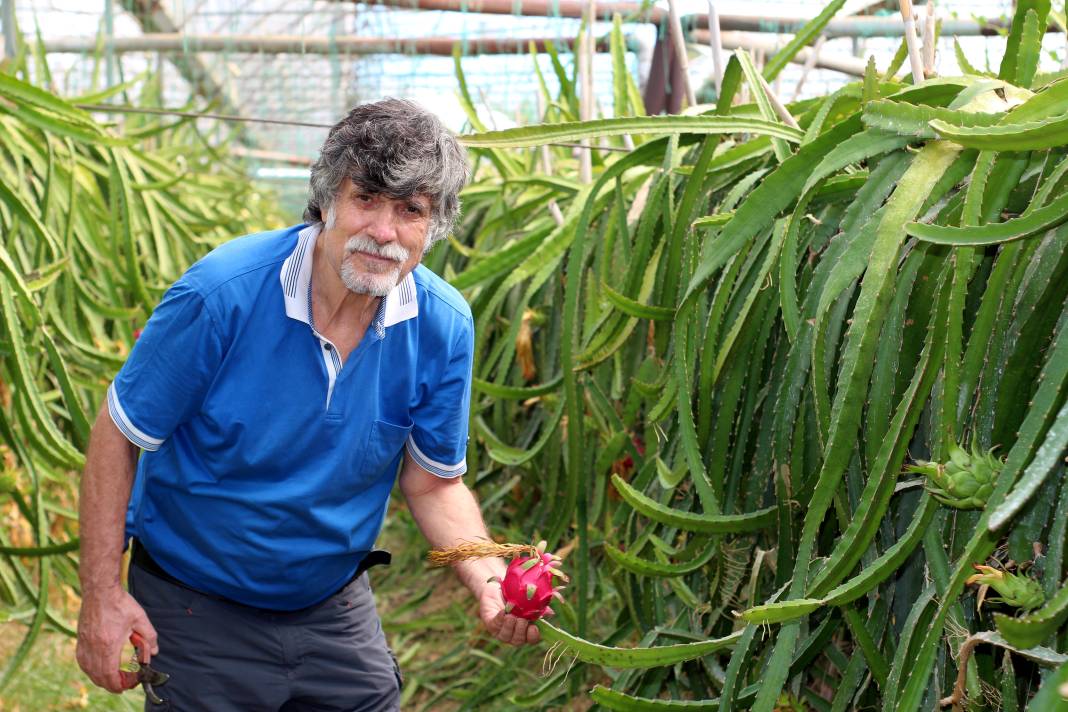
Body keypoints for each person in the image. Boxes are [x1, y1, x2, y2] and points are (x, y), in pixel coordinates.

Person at [76, 98, 541, 711]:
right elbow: (119, 432)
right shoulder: (223, 294)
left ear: (434, 227)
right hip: (196, 600)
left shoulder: (442, 325)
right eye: (366, 198)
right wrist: (102, 595)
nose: (384, 231)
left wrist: (487, 577)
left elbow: (433, 484)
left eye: (411, 210)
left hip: (331, 604)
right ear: (326, 200)